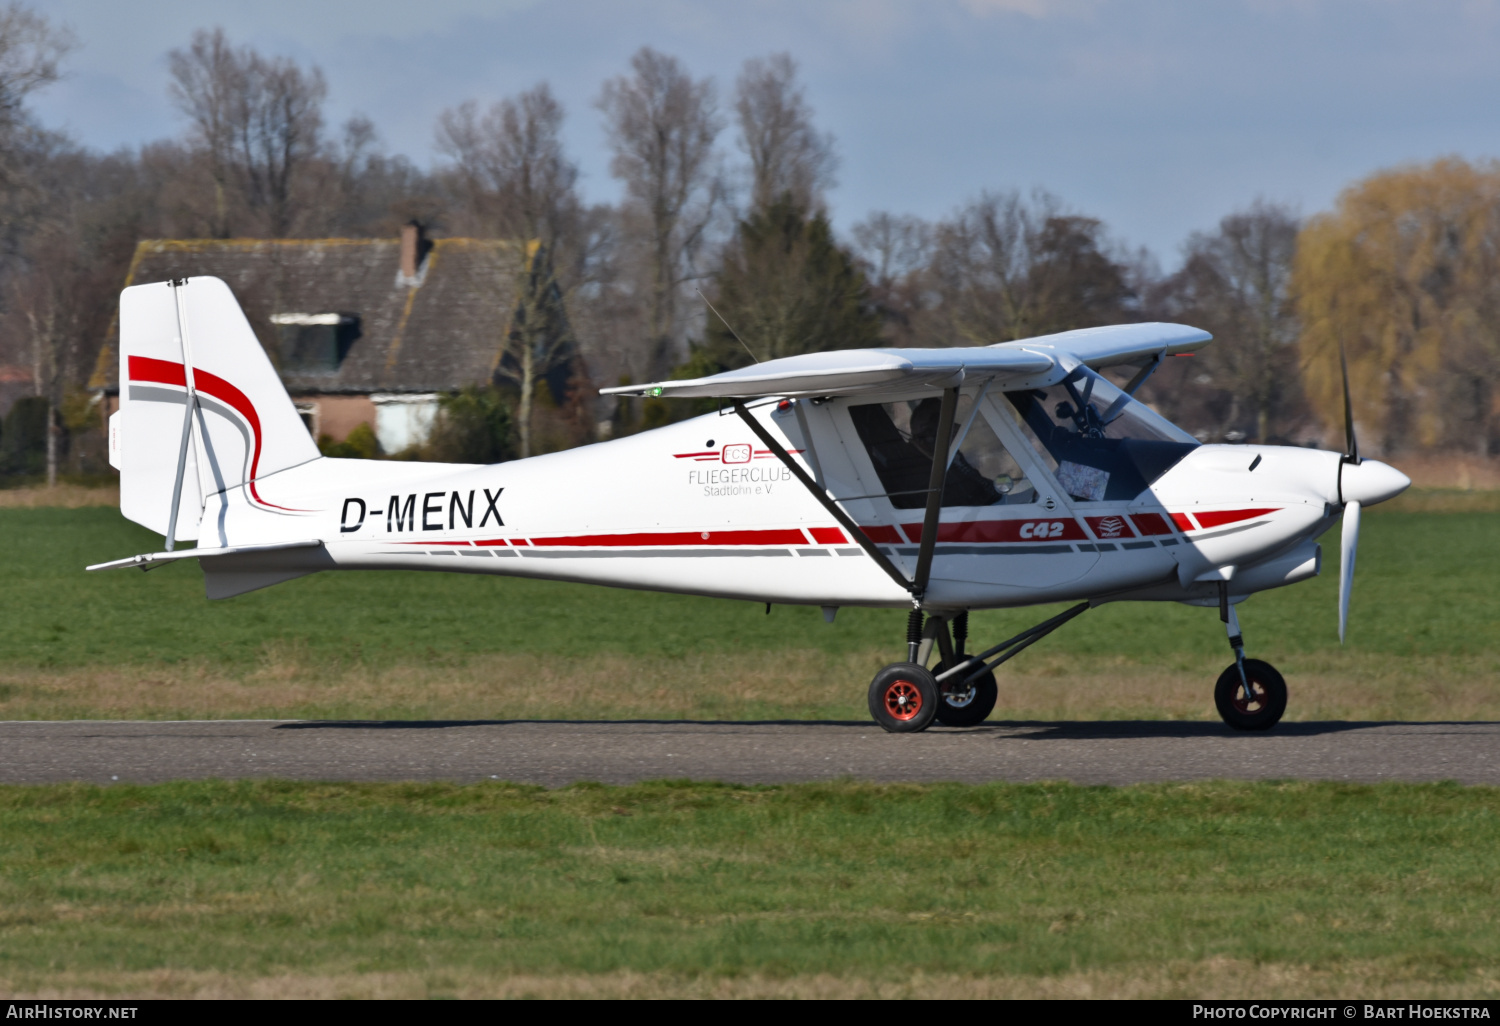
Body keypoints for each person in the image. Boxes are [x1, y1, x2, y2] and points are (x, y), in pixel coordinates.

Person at [908, 398, 1002, 507]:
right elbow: (961, 501)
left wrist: (996, 489)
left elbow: (980, 484)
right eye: (949, 425)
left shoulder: (954, 457)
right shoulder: (918, 470)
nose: (957, 430)